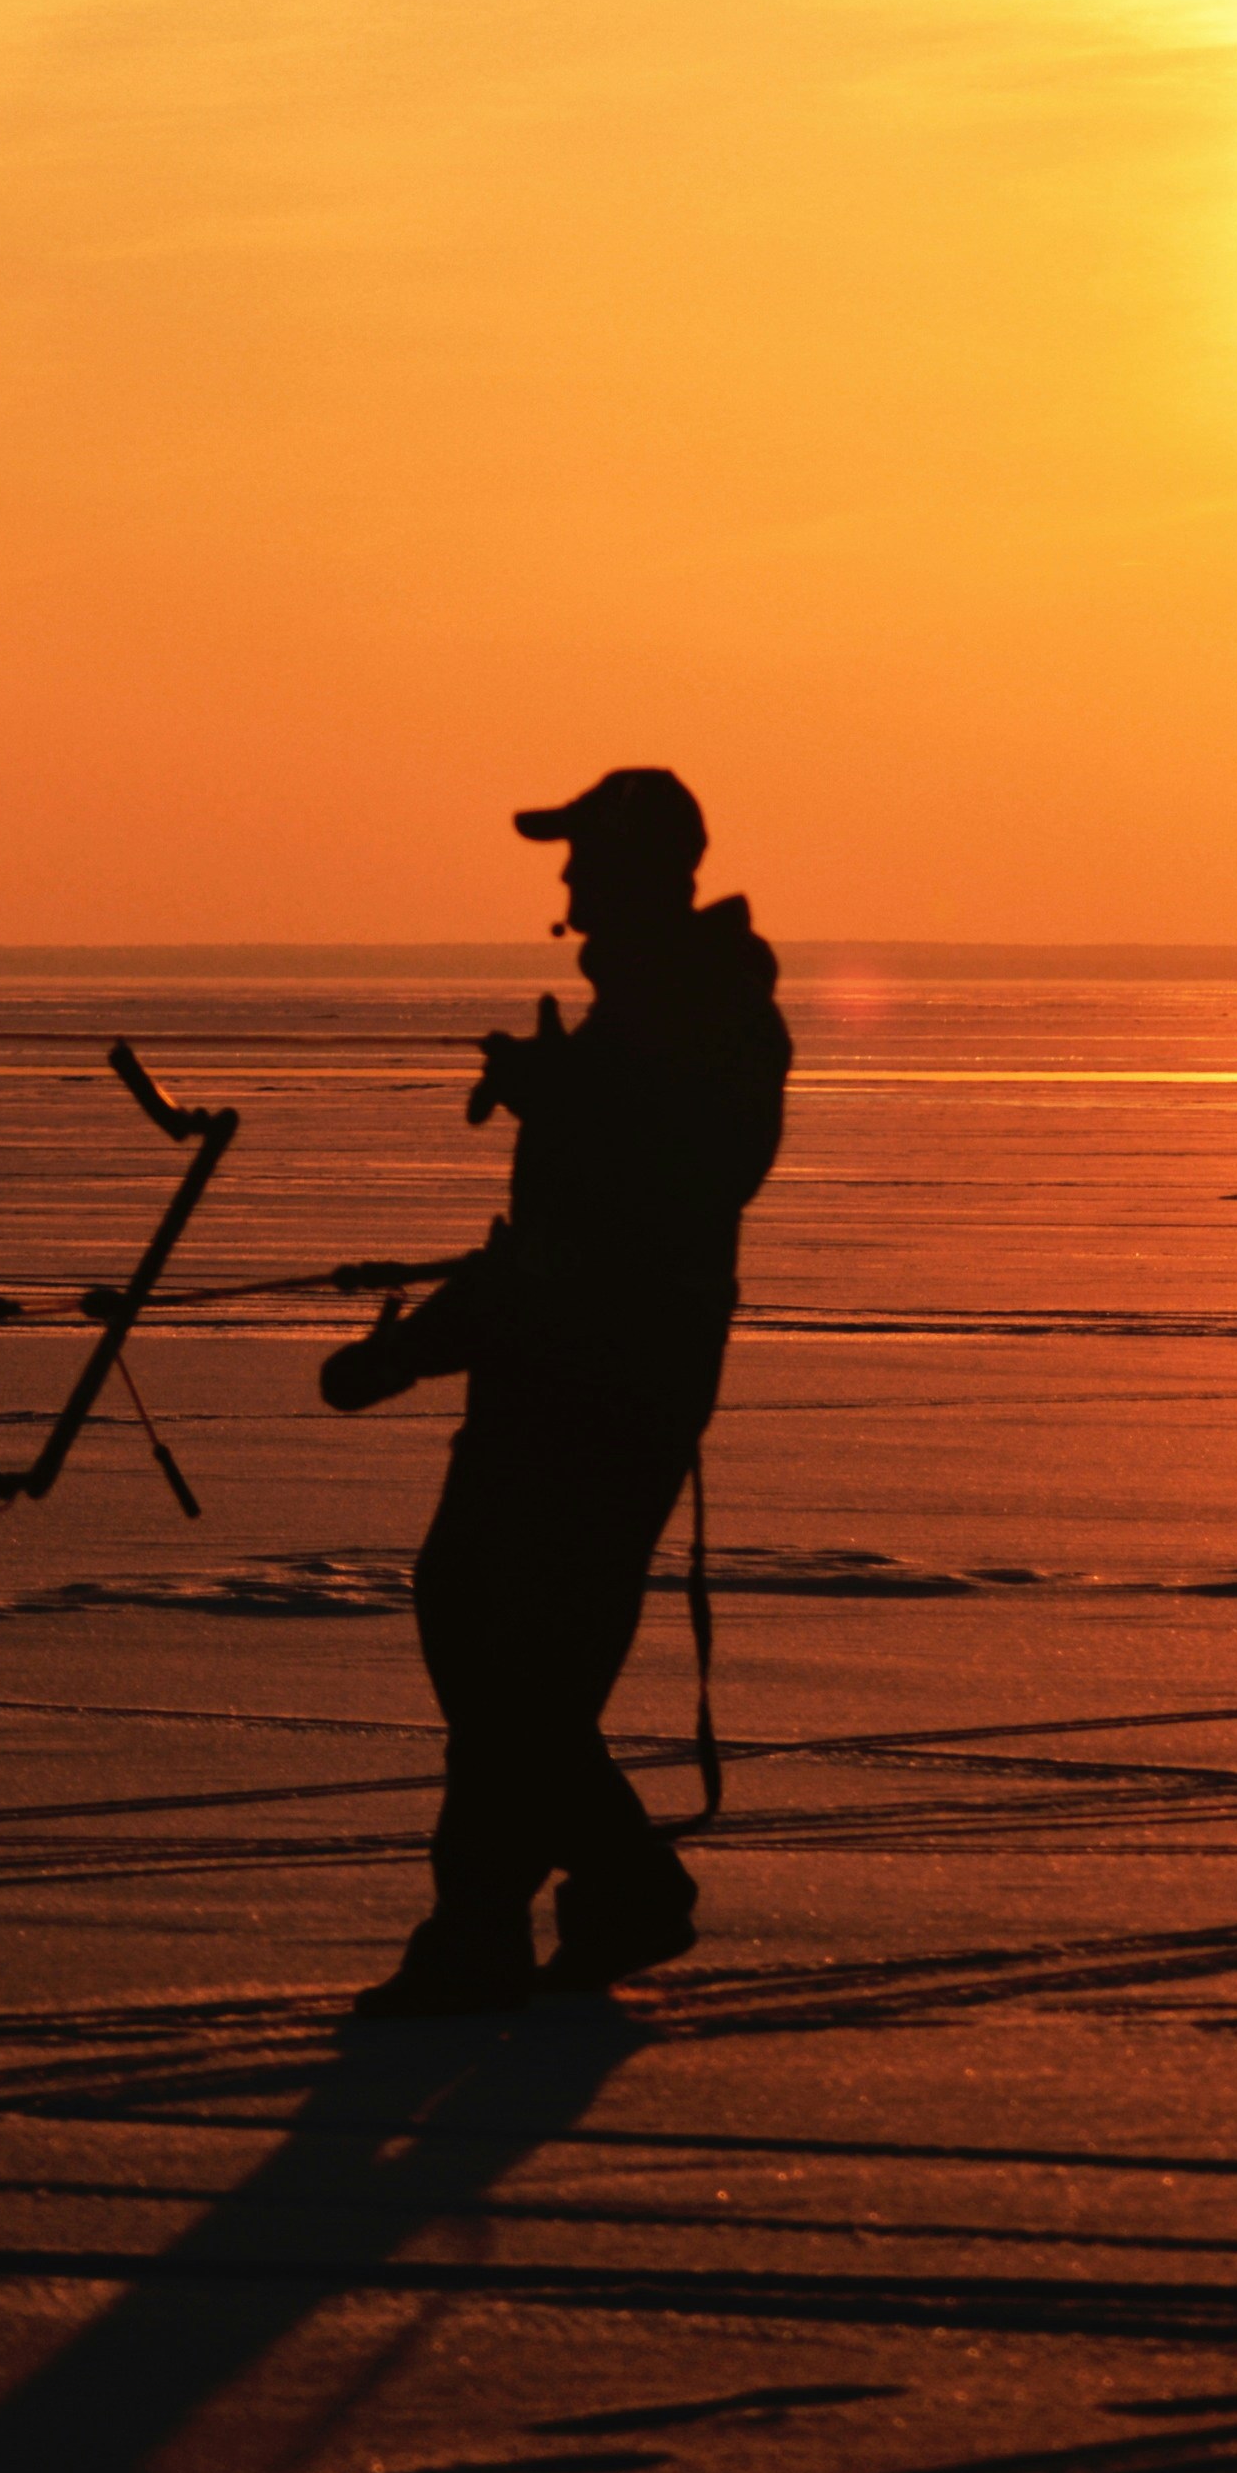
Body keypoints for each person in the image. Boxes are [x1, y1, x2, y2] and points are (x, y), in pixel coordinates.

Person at [320, 766, 791, 2018]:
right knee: (486, 1641)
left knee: (517, 1666)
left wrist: (563, 1095)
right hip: (543, 1384)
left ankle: (505, 1923)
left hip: (611, 1401)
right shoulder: (630, 1019)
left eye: (585, 859)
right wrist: (413, 1350)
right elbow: (551, 1244)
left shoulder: (714, 1011)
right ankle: (600, 1892)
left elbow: (679, 1187)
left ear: (644, 871)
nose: (568, 885)